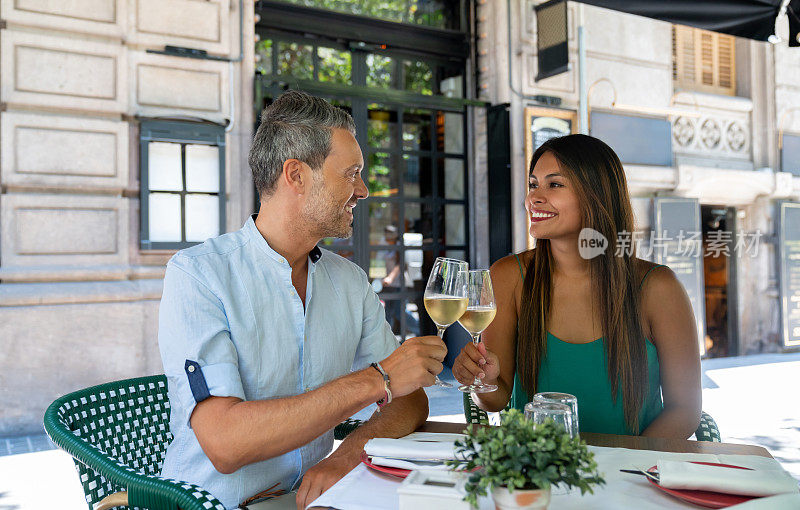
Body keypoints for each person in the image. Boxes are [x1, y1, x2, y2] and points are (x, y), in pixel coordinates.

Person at [158, 90, 446, 510]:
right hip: (210, 504)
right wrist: (378, 378)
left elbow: (410, 398)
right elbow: (226, 443)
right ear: (296, 176)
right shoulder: (199, 276)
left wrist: (347, 457)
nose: (363, 190)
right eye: (351, 173)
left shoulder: (349, 281)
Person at [452, 134, 701, 437]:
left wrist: (620, 467)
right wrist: (482, 379)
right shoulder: (509, 276)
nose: (533, 198)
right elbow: (495, 400)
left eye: (554, 184)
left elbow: (685, 411)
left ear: (597, 195)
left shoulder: (658, 288)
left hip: (632, 476)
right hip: (536, 472)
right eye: (533, 184)